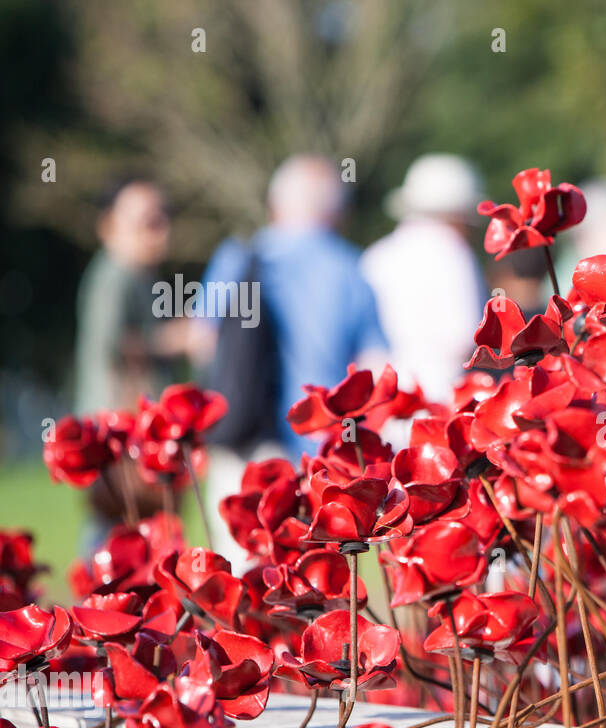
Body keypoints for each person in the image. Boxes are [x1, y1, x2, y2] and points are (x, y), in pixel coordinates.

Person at [197, 154, 389, 564]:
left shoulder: (239, 258)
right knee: (318, 590)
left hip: (244, 442)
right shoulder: (351, 268)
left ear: (275, 205)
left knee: (242, 584)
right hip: (322, 457)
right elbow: (374, 365)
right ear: (336, 211)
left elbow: (203, 340)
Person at [361, 154, 487, 403]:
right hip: (441, 397)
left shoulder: (376, 255)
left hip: (381, 398)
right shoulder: (454, 253)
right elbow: (468, 334)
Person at [74, 176, 181, 414]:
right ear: (109, 226)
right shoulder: (113, 276)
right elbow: (111, 344)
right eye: (149, 222)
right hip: (116, 429)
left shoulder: (140, 274)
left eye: (164, 218)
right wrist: (174, 339)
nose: (163, 231)